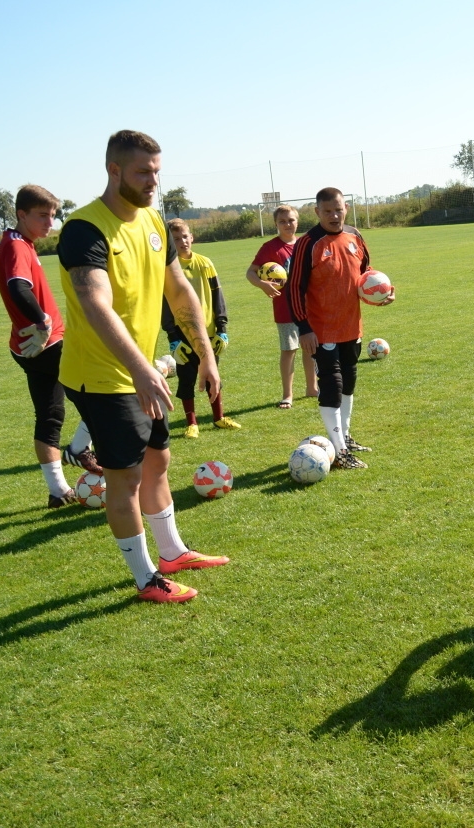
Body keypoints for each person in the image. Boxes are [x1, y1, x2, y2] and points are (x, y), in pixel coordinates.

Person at [57, 130, 228, 603]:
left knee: (159, 461)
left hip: (142, 371)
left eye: (156, 170)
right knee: (126, 477)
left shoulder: (153, 220)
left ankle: (172, 552)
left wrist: (207, 352)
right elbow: (95, 303)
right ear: (114, 171)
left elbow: (179, 290)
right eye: (141, 172)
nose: (153, 180)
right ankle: (146, 578)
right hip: (102, 375)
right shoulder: (84, 229)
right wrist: (140, 369)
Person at [0, 184, 102, 508]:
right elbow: (17, 287)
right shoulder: (15, 247)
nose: (49, 223)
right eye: (42, 215)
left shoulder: (21, 243)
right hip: (47, 342)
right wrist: (42, 322)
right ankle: (81, 449)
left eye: (53, 216)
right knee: (104, 390)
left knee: (50, 415)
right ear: (21, 214)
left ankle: (57, 491)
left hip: (29, 347)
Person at [286, 188, 394, 470]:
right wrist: (304, 328)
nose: (334, 216)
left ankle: (344, 437)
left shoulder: (355, 236)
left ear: (346, 207)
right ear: (317, 212)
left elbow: (366, 275)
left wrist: (382, 294)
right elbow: (294, 289)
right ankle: (340, 450)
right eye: (328, 211)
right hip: (321, 331)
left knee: (348, 382)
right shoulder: (308, 243)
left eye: (339, 210)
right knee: (331, 387)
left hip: (352, 327)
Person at [163, 218, 241, 438]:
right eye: (176, 239)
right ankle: (192, 422)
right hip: (182, 333)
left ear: (192, 238)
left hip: (209, 332)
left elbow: (218, 296)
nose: (182, 241)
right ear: (170, 243)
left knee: (212, 375)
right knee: (187, 378)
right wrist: (172, 336)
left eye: (185, 237)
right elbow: (164, 305)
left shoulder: (205, 263)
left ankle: (218, 418)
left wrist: (222, 328)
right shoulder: (167, 268)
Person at [245, 205, 318, 409]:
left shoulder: (306, 244)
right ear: (276, 224)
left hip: (308, 307)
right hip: (285, 309)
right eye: (282, 221)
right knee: (289, 350)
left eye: (291, 220)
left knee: (310, 348)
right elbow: (251, 272)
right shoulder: (270, 247)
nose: (287, 224)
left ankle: (312, 388)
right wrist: (262, 284)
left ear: (298, 221)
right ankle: (288, 395)